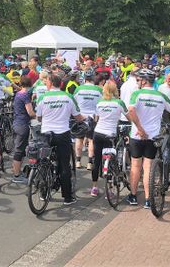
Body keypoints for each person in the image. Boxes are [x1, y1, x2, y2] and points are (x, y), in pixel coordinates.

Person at [126, 69, 170, 208]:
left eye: (139, 80)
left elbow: (131, 110)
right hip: (153, 137)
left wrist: (140, 129)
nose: (138, 82)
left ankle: (133, 196)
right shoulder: (161, 95)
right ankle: (149, 200)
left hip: (137, 136)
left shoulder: (137, 94)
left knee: (135, 166)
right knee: (148, 166)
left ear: (144, 81)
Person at [36, 74, 86, 205]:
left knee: (44, 161)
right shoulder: (68, 97)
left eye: (46, 81)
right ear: (61, 84)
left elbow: (38, 117)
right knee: (64, 165)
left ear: (51, 83)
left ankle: (43, 192)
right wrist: (84, 118)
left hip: (46, 134)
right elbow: (78, 117)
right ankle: (67, 197)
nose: (45, 83)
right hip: (62, 134)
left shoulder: (42, 97)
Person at [90, 81, 141, 196]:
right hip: (110, 134)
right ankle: (111, 189)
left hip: (98, 132)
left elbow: (96, 118)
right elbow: (129, 117)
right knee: (111, 160)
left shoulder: (99, 102)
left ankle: (94, 187)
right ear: (115, 90)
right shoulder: (119, 103)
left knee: (97, 160)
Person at [73, 69, 102, 170]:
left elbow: (74, 102)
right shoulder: (98, 90)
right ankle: (90, 162)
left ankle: (77, 161)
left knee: (79, 139)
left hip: (81, 117)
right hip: (93, 117)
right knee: (91, 140)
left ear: (84, 78)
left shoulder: (78, 89)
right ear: (93, 78)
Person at [11, 75, 36, 183]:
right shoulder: (25, 95)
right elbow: (30, 112)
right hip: (22, 124)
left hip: (17, 122)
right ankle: (16, 175)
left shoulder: (18, 93)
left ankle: (17, 172)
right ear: (30, 84)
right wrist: (39, 116)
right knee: (19, 150)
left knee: (19, 149)